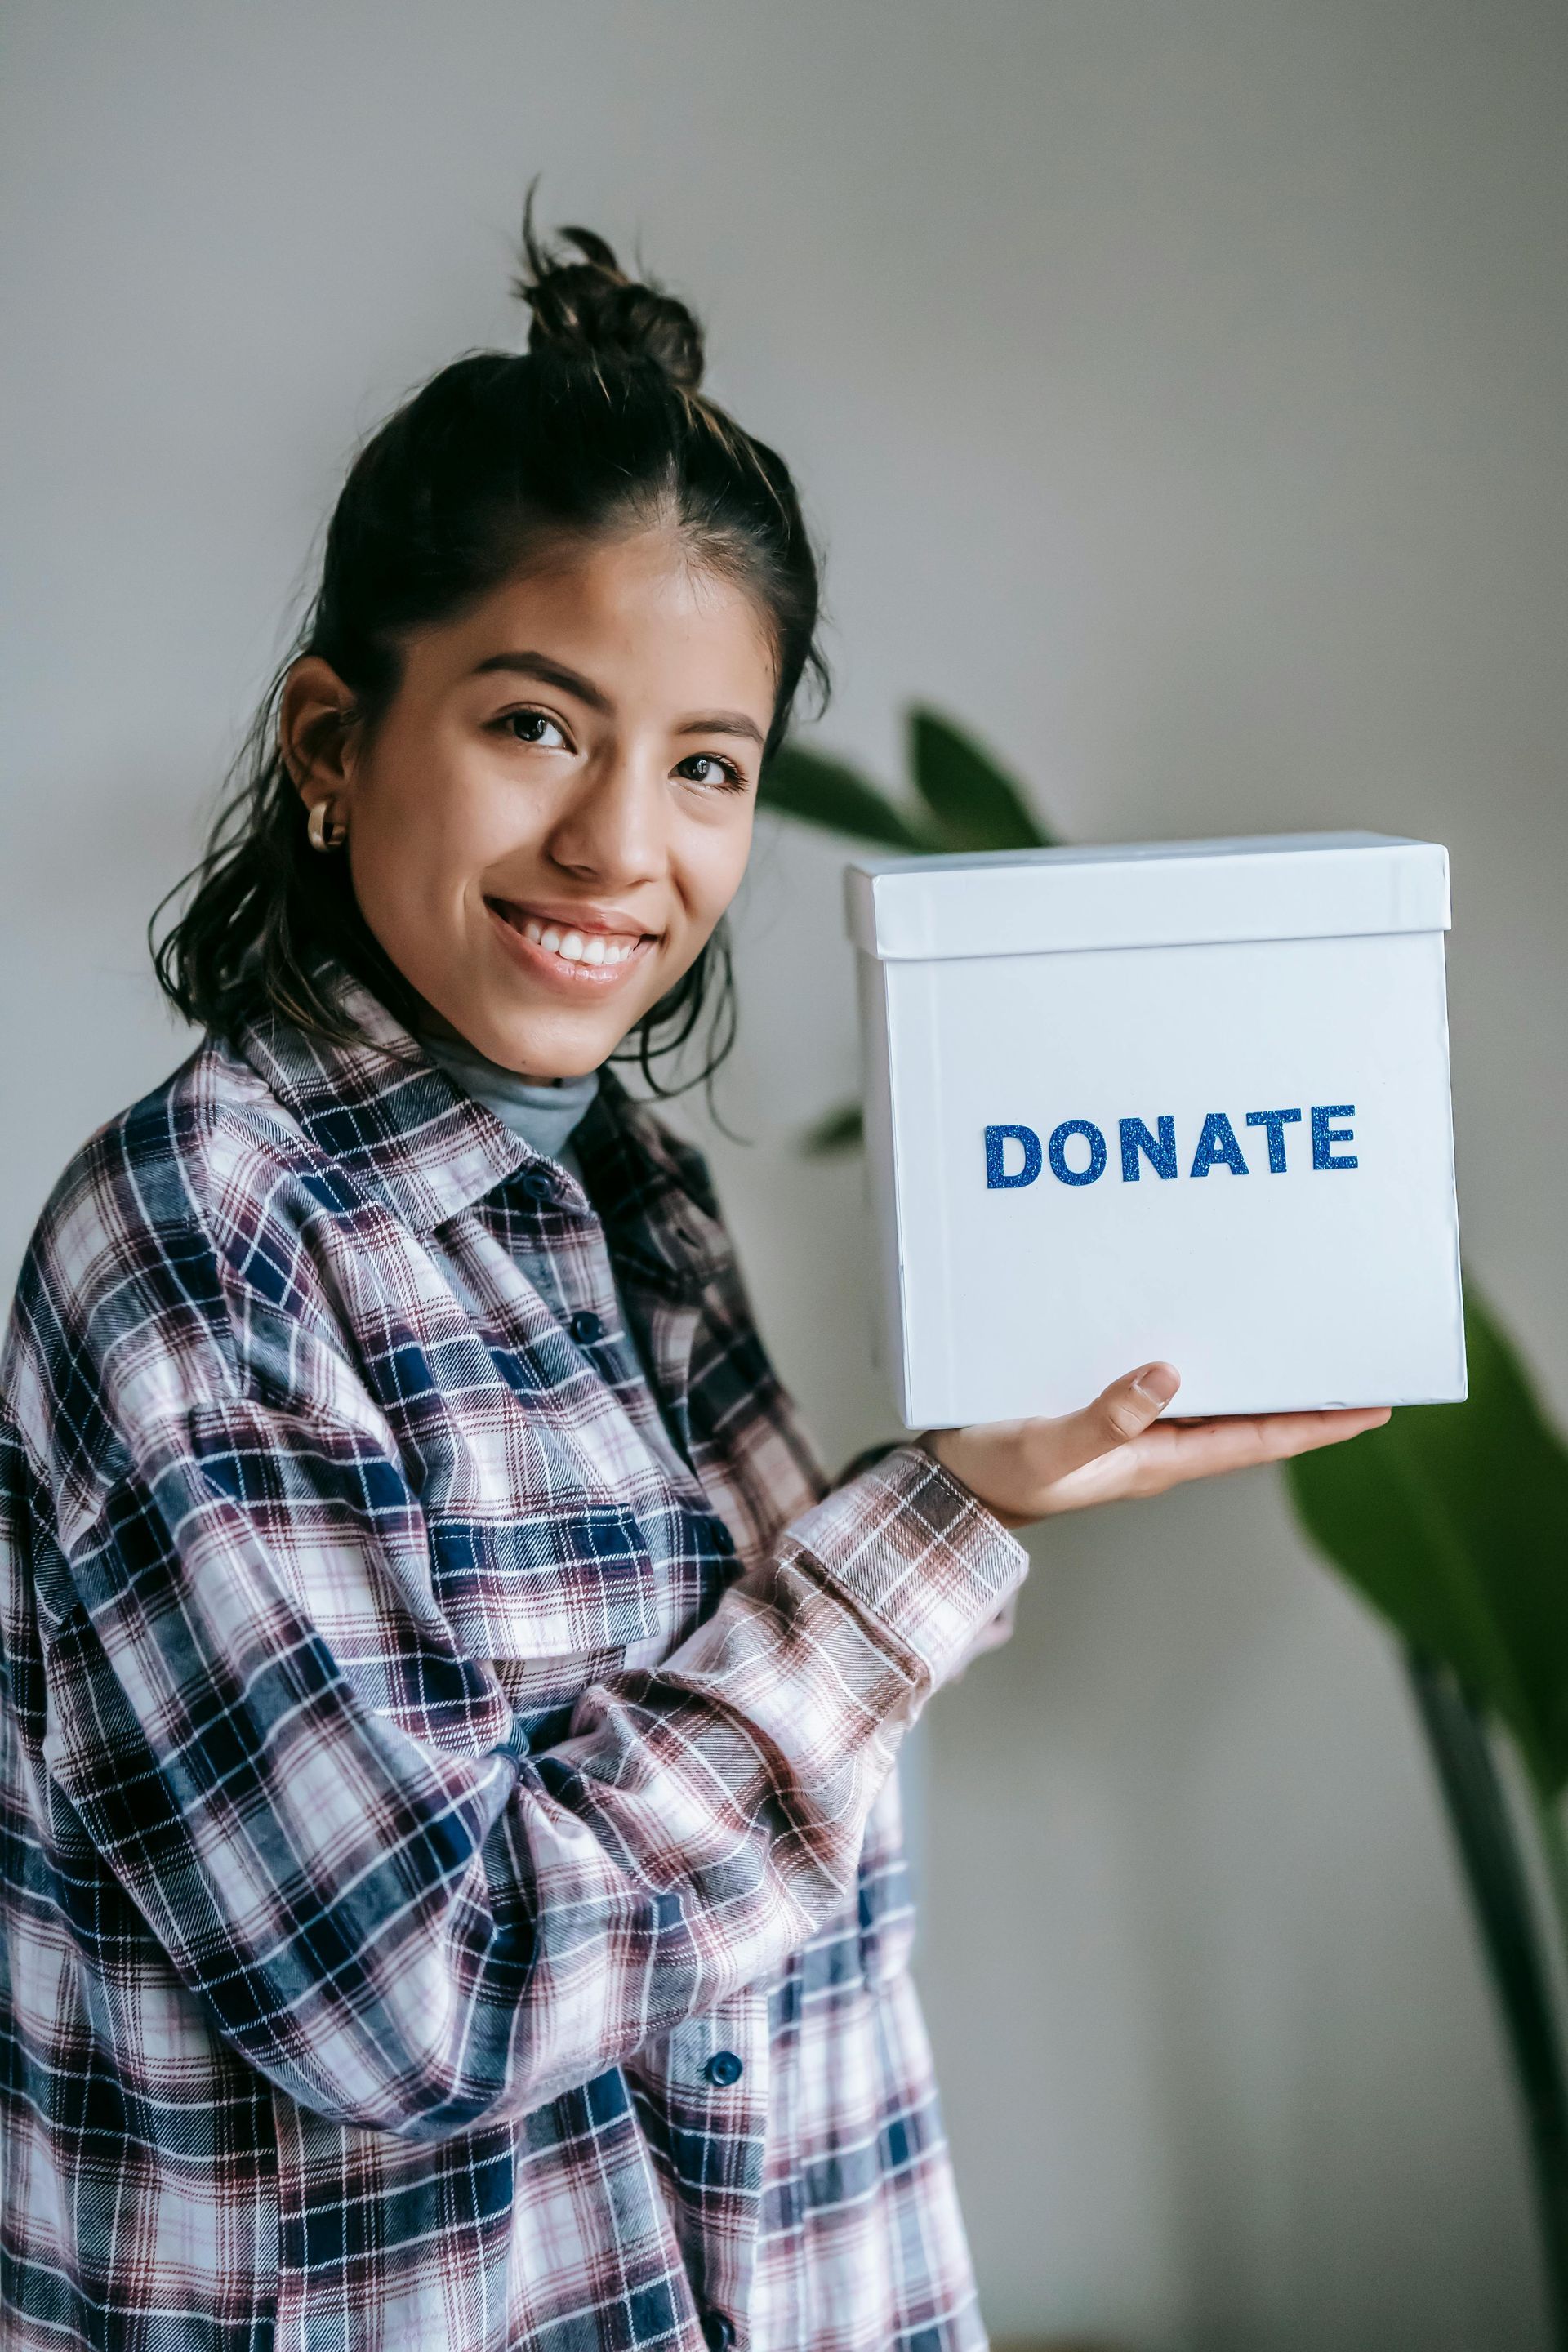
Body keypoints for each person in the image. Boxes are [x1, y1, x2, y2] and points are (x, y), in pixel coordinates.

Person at [0, 212, 1387, 2352]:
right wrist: (939, 1525)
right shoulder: (195, 1245)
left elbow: (773, 1955)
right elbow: (420, 1995)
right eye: (540, 725)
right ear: (331, 739)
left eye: (708, 766)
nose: (622, 849)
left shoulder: (636, 1195)